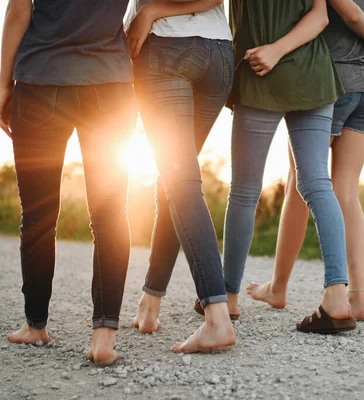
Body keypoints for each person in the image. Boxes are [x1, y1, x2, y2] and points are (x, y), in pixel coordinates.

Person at [0, 0, 136, 366]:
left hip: (41, 79)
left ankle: (36, 325)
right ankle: (104, 336)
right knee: (110, 213)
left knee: (39, 213)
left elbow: (17, 11)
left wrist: (1, 85)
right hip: (109, 80)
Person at [248, 0, 364, 321]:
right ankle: (357, 299)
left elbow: (356, 17)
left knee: (300, 182)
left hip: (329, 87)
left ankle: (278, 287)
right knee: (345, 191)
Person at [216, 0, 355, 333]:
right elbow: (319, 16)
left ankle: (228, 297)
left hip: (262, 72)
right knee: (318, 183)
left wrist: (275, 51)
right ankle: (337, 297)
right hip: (313, 75)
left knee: (245, 191)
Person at [125, 0, 236, 352]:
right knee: (172, 182)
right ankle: (150, 303)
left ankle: (217, 318)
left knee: (180, 182)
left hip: (166, 49)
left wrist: (149, 12)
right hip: (219, 53)